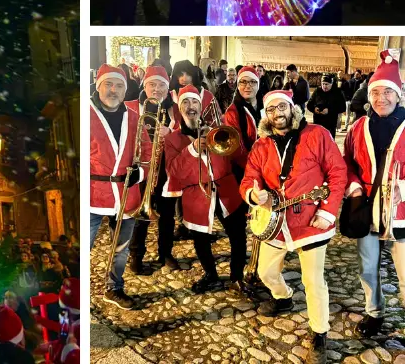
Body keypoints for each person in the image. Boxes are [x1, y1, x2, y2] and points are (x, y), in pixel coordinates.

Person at [239, 89, 347, 364]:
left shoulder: (317, 134)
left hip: (311, 221)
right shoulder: (261, 146)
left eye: (282, 107)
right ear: (267, 115)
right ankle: (283, 297)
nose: (277, 113)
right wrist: (253, 195)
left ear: (292, 108)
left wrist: (328, 212)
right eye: (271, 109)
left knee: (313, 281)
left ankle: (319, 333)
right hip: (276, 222)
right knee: (265, 272)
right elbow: (249, 179)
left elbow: (337, 172)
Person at [344, 51, 405, 338]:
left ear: (398, 94)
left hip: (401, 213)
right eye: (376, 92)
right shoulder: (358, 126)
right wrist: (354, 186)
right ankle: (374, 312)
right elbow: (346, 163)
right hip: (367, 209)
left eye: (388, 92)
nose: (381, 98)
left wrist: (401, 189)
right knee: (367, 267)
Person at [167, 86, 248, 295]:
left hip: (227, 190)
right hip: (197, 195)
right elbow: (174, 171)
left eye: (194, 102)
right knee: (201, 240)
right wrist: (192, 149)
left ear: (201, 106)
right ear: (179, 108)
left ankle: (237, 276)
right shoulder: (173, 139)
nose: (190, 106)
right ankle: (210, 274)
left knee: (238, 237)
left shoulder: (217, 129)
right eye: (185, 102)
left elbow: (237, 154)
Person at [88, 64, 149, 309]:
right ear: (98, 86)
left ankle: (114, 288)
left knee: (121, 248)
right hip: (93, 195)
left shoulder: (134, 117)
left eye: (119, 86)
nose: (114, 90)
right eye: (109, 84)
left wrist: (140, 173)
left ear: (125, 90)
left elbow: (146, 151)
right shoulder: (86, 113)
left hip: (126, 193)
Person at [128, 65, 183, 274]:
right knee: (140, 217)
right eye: (152, 84)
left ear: (168, 88)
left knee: (168, 216)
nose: (156, 89)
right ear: (145, 85)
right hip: (141, 173)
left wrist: (171, 132)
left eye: (161, 85)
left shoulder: (175, 109)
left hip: (167, 173)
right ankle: (136, 255)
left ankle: (165, 252)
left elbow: (186, 136)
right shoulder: (131, 107)